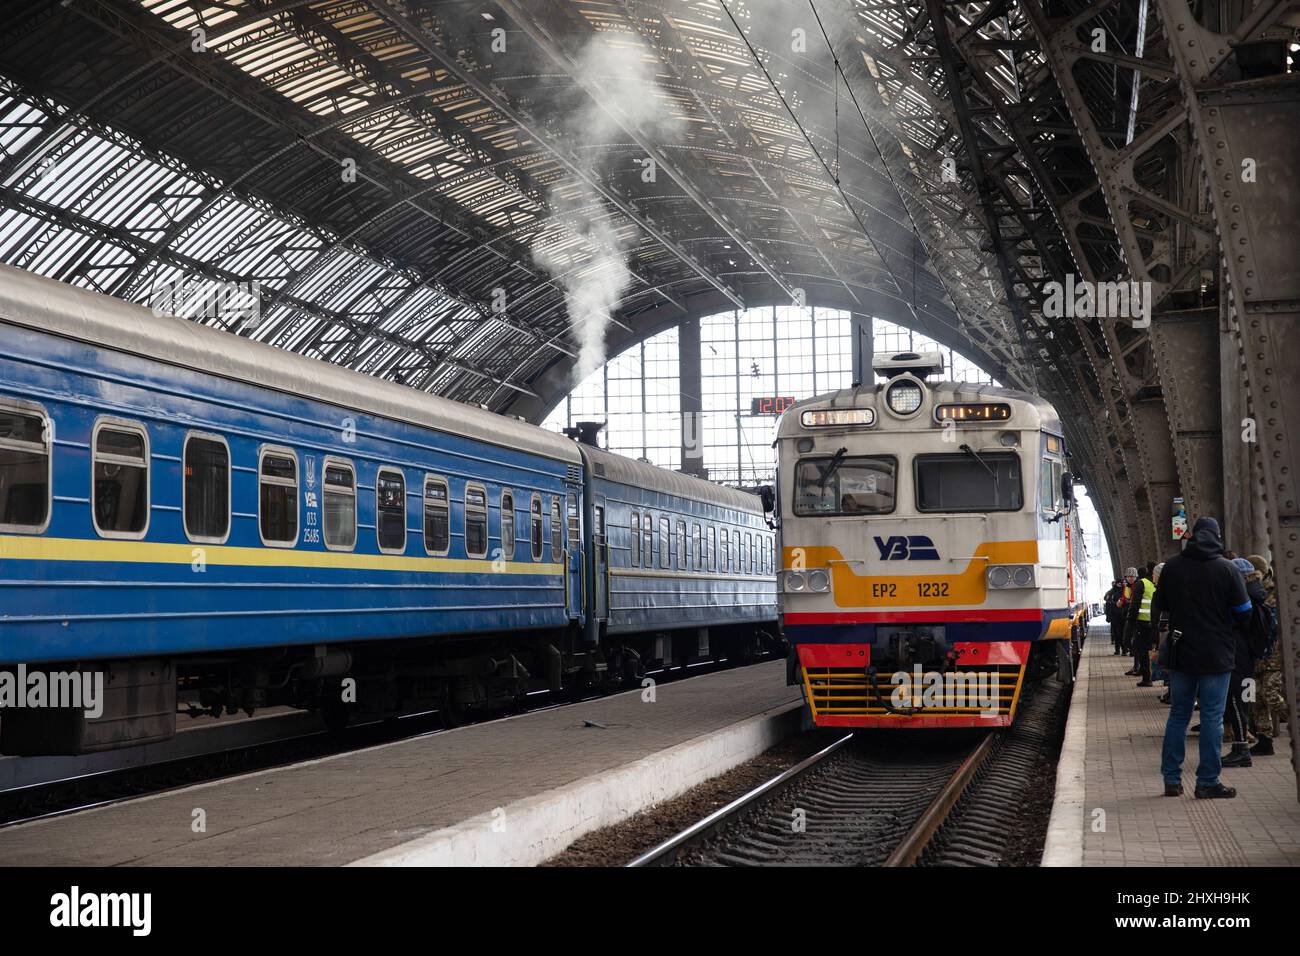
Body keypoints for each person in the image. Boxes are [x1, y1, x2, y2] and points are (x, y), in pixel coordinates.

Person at [1151, 517, 1252, 798]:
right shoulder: (1227, 569)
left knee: (1179, 715)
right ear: (1217, 536)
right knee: (1211, 718)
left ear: (1192, 535)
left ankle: (1171, 780)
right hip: (1216, 654)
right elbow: (1245, 611)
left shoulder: (1172, 566)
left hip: (1182, 651)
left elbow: (1161, 605)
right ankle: (1207, 781)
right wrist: (1225, 623)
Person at [1222, 557, 1269, 768]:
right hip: (1250, 657)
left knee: (1234, 699)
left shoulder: (1243, 597)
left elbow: (1236, 622)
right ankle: (1247, 738)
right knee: (1245, 697)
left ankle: (1241, 747)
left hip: (1238, 655)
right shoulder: (1258, 593)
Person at [1246, 554, 1286, 756]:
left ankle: (1293, 720)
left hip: (1275, 656)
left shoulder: (1274, 592)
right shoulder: (1248, 593)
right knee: (1257, 698)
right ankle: (1264, 739)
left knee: (1271, 694)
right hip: (1256, 656)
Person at [1131, 565, 1158, 687]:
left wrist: (1130, 624)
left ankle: (1147, 678)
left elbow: (1135, 606)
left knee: (1142, 650)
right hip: (1155, 623)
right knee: (1152, 650)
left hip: (1142, 623)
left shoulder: (1142, 584)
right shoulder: (1155, 585)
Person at [1122, 567, 1143, 675]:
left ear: (1136, 577)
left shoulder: (1138, 585)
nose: (1129, 578)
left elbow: (1133, 601)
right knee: (1127, 640)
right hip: (1129, 616)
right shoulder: (1127, 587)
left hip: (1137, 618)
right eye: (1128, 576)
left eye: (1132, 576)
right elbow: (1126, 599)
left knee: (1135, 642)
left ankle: (1137, 666)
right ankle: (1136, 664)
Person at [1103, 580, 1124, 654]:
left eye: (1120, 583)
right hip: (1115, 616)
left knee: (1121, 633)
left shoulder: (1124, 591)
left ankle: (1123, 649)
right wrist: (1108, 616)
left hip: (1122, 616)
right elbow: (1106, 601)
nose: (1119, 585)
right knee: (1117, 633)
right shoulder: (1111, 592)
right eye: (1118, 583)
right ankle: (1118, 650)